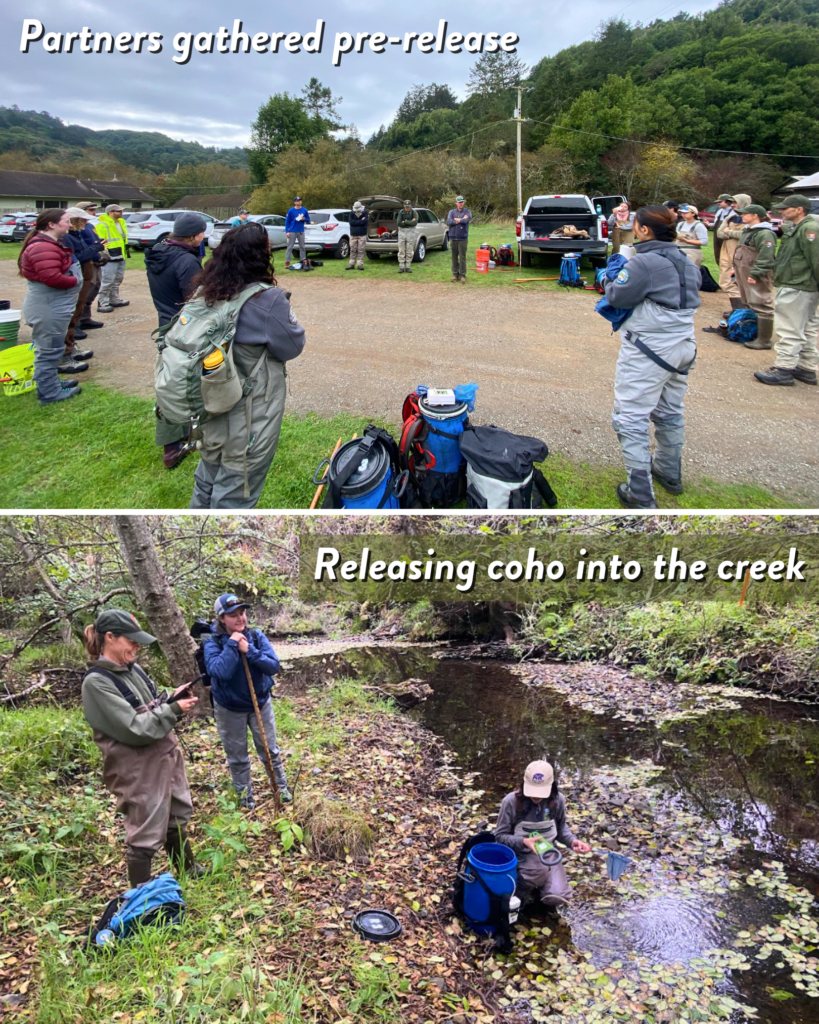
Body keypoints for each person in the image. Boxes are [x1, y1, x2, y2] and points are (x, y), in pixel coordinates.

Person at [81, 609, 205, 886]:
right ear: (110, 637)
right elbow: (134, 729)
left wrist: (171, 696)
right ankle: (140, 898)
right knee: (145, 827)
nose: (137, 646)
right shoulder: (97, 682)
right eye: (131, 640)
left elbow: (149, 705)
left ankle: (187, 868)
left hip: (163, 756)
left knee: (175, 814)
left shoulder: (131, 668)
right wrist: (173, 710)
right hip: (136, 767)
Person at [188, 222, 306, 509]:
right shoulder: (266, 298)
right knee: (238, 486)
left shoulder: (206, 290)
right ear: (260, 255)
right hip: (251, 408)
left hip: (210, 399)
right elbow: (291, 346)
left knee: (208, 474)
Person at [604, 205, 701, 509]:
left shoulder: (643, 262)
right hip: (684, 347)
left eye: (635, 225)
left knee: (629, 419)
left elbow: (618, 296)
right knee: (670, 412)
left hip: (651, 351)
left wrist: (609, 278)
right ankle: (669, 472)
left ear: (644, 230)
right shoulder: (686, 261)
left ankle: (640, 496)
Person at [203, 594, 292, 808]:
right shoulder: (212, 643)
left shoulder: (256, 636)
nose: (240, 619)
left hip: (260, 703)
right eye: (232, 615)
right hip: (229, 708)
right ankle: (245, 797)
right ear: (221, 618)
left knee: (270, 749)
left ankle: (281, 788)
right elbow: (219, 672)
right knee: (238, 756)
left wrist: (249, 650)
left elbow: (273, 666)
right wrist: (233, 645)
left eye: (241, 613)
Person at [145, 212, 208, 469]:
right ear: (194, 235)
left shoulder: (160, 252)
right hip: (185, 330)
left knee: (169, 383)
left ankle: (175, 441)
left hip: (165, 324)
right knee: (186, 383)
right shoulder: (186, 262)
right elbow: (196, 301)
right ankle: (177, 445)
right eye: (203, 232)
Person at [495, 760, 590, 911]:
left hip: (547, 853)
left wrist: (572, 842)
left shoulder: (557, 800)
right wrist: (524, 841)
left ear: (551, 786)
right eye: (532, 791)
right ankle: (523, 893)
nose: (536, 797)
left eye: (541, 792)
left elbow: (561, 829)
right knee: (529, 879)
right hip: (519, 855)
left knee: (558, 897)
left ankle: (541, 892)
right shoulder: (511, 802)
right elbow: (499, 837)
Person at [18, 209, 83, 405]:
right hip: (48, 307)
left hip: (53, 305)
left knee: (52, 347)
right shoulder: (42, 248)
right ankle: (49, 393)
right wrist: (75, 281)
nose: (70, 225)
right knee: (49, 350)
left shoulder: (49, 244)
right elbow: (51, 278)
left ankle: (52, 384)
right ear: (51, 225)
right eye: (66, 221)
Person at [754, 194, 819, 387]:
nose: (781, 211)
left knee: (790, 327)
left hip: (798, 284)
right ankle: (806, 367)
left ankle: (784, 368)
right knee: (807, 327)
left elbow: (816, 259)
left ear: (799, 209)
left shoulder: (809, 229)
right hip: (801, 284)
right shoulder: (798, 227)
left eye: (786, 208)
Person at [61, 206, 104, 373]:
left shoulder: (75, 235)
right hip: (77, 277)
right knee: (71, 314)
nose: (86, 223)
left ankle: (70, 347)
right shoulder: (67, 239)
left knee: (77, 311)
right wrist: (94, 249)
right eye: (83, 220)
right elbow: (76, 257)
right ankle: (65, 354)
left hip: (83, 276)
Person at [731, 203, 777, 352]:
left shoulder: (765, 233)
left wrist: (755, 274)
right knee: (749, 300)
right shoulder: (748, 231)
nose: (742, 216)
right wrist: (734, 268)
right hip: (744, 270)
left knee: (761, 302)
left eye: (745, 214)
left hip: (755, 272)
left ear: (755, 215)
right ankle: (750, 331)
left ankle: (764, 340)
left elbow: (766, 257)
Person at [74, 201, 106, 332]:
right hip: (86, 262)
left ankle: (85, 318)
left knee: (93, 289)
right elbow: (83, 248)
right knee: (83, 294)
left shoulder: (89, 226)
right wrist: (96, 256)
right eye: (91, 210)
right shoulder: (77, 229)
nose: (94, 213)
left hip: (94, 261)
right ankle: (76, 323)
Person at [716, 193, 751, 310]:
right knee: (726, 278)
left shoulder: (753, 217)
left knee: (739, 281)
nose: (733, 205)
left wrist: (729, 232)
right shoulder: (730, 217)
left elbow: (747, 235)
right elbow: (719, 233)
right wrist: (729, 234)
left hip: (743, 251)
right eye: (732, 203)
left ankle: (744, 311)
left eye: (735, 202)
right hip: (727, 250)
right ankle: (736, 310)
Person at [95, 204, 130, 312]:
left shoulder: (121, 222)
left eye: (121, 211)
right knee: (107, 280)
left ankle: (114, 300)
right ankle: (103, 302)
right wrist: (105, 255)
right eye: (118, 211)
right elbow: (101, 241)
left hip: (121, 254)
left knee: (117, 279)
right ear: (110, 212)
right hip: (110, 256)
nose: (121, 213)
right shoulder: (102, 225)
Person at [446, 195, 472, 282]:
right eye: (460, 202)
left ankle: (462, 275)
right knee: (454, 257)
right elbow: (449, 221)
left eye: (462, 202)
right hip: (453, 238)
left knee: (462, 257)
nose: (461, 204)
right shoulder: (451, 212)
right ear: (456, 203)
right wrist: (459, 220)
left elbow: (466, 221)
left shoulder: (467, 211)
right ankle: (455, 274)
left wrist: (457, 219)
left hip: (462, 238)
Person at [284, 197, 310, 268]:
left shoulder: (304, 210)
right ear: (295, 202)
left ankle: (303, 261)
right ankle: (287, 262)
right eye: (297, 201)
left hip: (301, 231)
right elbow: (287, 222)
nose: (299, 202)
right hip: (292, 231)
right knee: (290, 247)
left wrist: (303, 219)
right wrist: (287, 231)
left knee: (302, 247)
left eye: (300, 201)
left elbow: (308, 219)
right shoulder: (291, 211)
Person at [711, 194, 735, 266]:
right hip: (717, 235)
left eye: (720, 201)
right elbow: (715, 224)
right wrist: (709, 225)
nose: (718, 203)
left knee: (727, 255)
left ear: (726, 202)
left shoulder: (733, 212)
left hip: (726, 236)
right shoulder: (719, 212)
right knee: (717, 253)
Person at [396, 199, 418, 274]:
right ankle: (401, 266)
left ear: (410, 206)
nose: (407, 208)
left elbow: (415, 222)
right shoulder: (401, 212)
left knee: (409, 250)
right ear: (404, 207)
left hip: (410, 233)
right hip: (402, 232)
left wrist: (405, 221)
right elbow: (399, 223)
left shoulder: (414, 212)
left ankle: (408, 266)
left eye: (408, 207)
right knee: (401, 250)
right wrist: (410, 222)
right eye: (406, 207)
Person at [346, 201, 368, 271]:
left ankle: (360, 265)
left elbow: (365, 222)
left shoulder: (365, 212)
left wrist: (356, 221)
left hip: (362, 234)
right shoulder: (352, 212)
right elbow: (351, 222)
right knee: (352, 250)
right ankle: (351, 264)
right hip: (353, 234)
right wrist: (360, 221)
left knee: (361, 250)